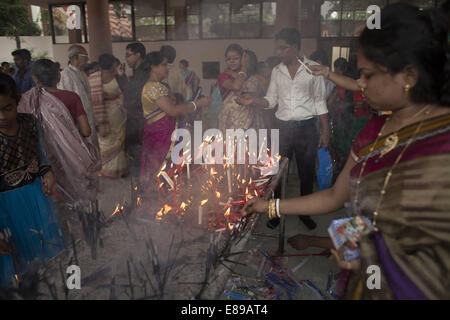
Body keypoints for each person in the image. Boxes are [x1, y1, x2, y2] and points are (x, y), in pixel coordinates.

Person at [244, 3, 450, 299]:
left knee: (306, 172)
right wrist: (272, 209)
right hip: (364, 285)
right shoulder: (373, 132)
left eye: (366, 75)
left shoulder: (440, 143)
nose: (359, 84)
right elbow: (348, 203)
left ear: (409, 75)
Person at [238, 28, 330, 231]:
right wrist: (254, 100)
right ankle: (274, 212)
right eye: (277, 48)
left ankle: (305, 212)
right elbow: (271, 101)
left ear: (296, 47)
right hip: (283, 130)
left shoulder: (313, 69)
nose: (279, 52)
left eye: (283, 48)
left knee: (306, 175)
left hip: (306, 130)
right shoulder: (277, 71)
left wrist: (325, 131)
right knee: (277, 174)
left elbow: (319, 102)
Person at [17, 60, 100, 235]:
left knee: (55, 198)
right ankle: (87, 230)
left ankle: (64, 233)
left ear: (35, 79)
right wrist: (68, 139)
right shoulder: (71, 97)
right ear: (59, 76)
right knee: (79, 197)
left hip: (44, 160)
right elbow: (85, 131)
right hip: (73, 158)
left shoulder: (27, 101)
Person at [0, 74, 65, 288]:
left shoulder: (29, 123)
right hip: (5, 208)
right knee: (14, 259)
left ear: (17, 101)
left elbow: (41, 156)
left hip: (35, 197)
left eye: (8, 108)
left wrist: (47, 173)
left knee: (44, 252)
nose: (2, 116)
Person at [140, 51, 210, 190]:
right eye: (164, 65)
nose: (167, 68)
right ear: (153, 67)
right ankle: (163, 197)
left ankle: (159, 197)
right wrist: (199, 103)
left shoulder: (152, 86)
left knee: (159, 170)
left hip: (159, 133)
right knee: (163, 170)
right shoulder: (154, 87)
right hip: (162, 136)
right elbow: (173, 111)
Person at [89, 53, 128, 179]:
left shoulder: (92, 78)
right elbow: (126, 91)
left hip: (100, 112)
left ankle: (106, 169)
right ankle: (119, 169)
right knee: (117, 139)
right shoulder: (117, 77)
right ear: (113, 64)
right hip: (115, 111)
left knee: (105, 140)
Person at [58, 45, 100, 150]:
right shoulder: (65, 75)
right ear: (76, 57)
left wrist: (94, 122)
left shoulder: (83, 74)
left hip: (88, 120)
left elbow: (88, 101)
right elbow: (65, 104)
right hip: (77, 125)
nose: (88, 59)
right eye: (85, 56)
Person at [218, 46, 265, 132]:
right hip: (231, 119)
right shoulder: (223, 76)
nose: (231, 61)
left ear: (243, 59)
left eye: (236, 58)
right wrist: (243, 67)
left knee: (250, 144)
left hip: (252, 119)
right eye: (228, 59)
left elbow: (262, 96)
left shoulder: (253, 77)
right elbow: (236, 86)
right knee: (231, 144)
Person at [123, 42, 148, 179]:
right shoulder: (138, 72)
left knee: (139, 165)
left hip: (140, 124)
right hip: (137, 123)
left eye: (128, 55)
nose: (126, 59)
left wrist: (121, 79)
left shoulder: (144, 73)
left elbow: (134, 97)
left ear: (138, 55)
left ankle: (140, 196)